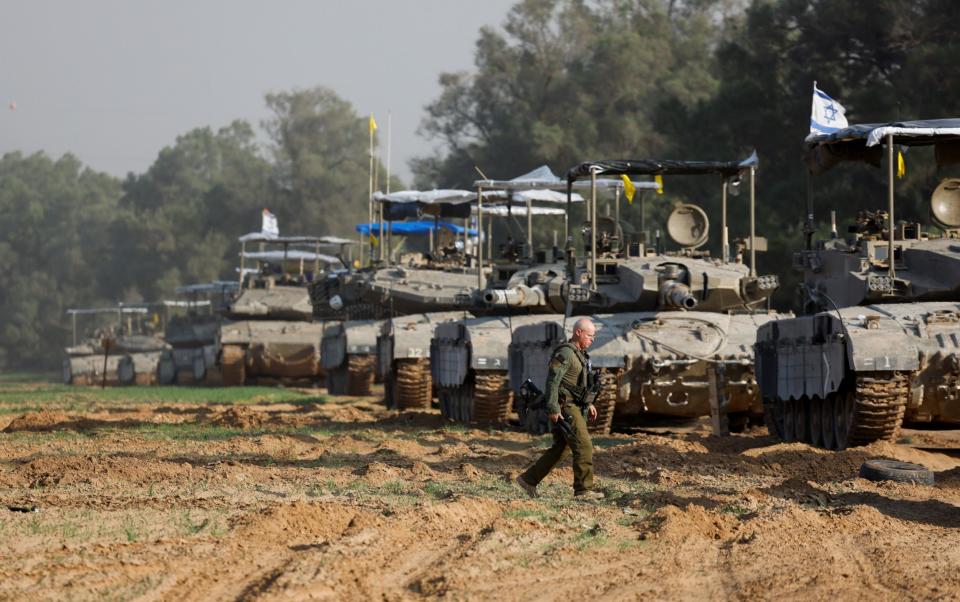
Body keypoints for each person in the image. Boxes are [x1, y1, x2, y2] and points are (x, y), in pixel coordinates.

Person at [516, 317, 604, 501]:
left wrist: (589, 403)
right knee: (584, 445)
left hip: (576, 405)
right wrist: (554, 408)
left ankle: (528, 480)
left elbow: (578, 384)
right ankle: (583, 491)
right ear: (578, 333)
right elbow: (553, 381)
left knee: (562, 448)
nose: (592, 339)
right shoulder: (566, 353)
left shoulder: (579, 354)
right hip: (566, 407)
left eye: (593, 336)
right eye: (589, 335)